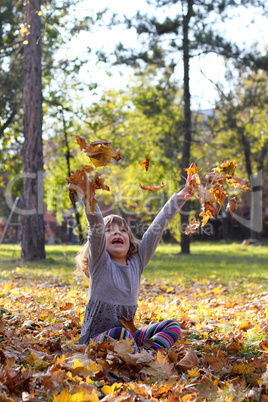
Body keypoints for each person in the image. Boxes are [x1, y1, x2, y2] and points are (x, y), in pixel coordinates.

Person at [68, 172, 195, 352]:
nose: (117, 233)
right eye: (109, 230)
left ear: (129, 239)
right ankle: (137, 355)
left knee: (172, 326)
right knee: (121, 334)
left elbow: (155, 230)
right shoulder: (100, 262)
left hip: (127, 336)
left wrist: (180, 197)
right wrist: (89, 196)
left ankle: (149, 354)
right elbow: (95, 229)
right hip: (96, 342)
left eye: (122, 230)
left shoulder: (137, 261)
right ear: (101, 242)